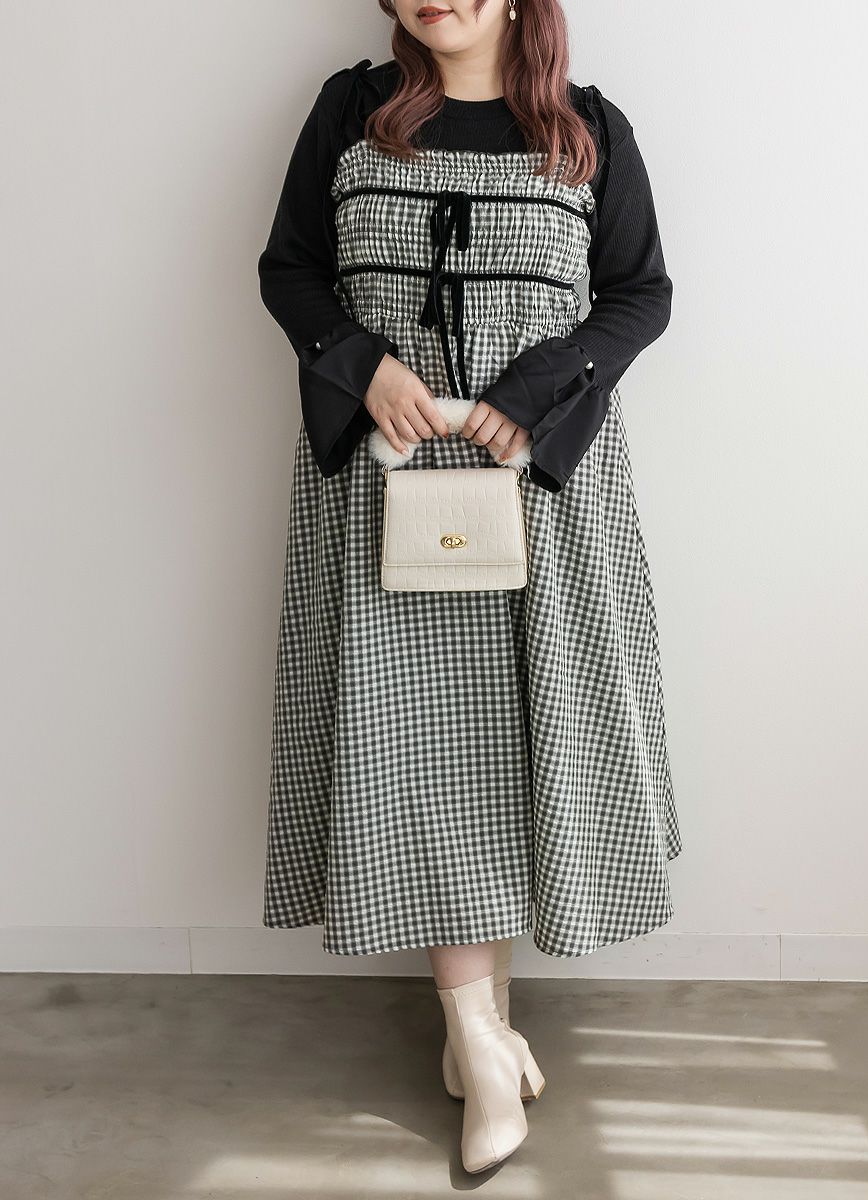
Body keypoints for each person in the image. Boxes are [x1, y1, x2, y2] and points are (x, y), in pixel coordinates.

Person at [257, 0, 682, 1174]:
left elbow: (639, 294)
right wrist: (362, 365)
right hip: (385, 484)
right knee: (418, 752)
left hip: (540, 489)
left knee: (516, 750)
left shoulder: (588, 130)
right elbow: (290, 270)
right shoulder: (352, 111)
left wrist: (538, 388)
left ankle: (479, 1030)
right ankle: (480, 1045)